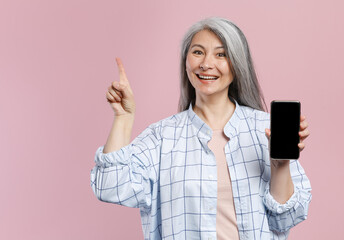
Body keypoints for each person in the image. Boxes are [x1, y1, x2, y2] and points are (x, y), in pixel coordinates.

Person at [90, 17, 312, 240]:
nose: (206, 63)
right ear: (185, 61)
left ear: (237, 63)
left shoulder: (264, 130)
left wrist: (280, 165)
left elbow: (285, 219)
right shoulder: (161, 137)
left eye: (221, 54)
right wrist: (123, 118)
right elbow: (110, 187)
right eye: (197, 52)